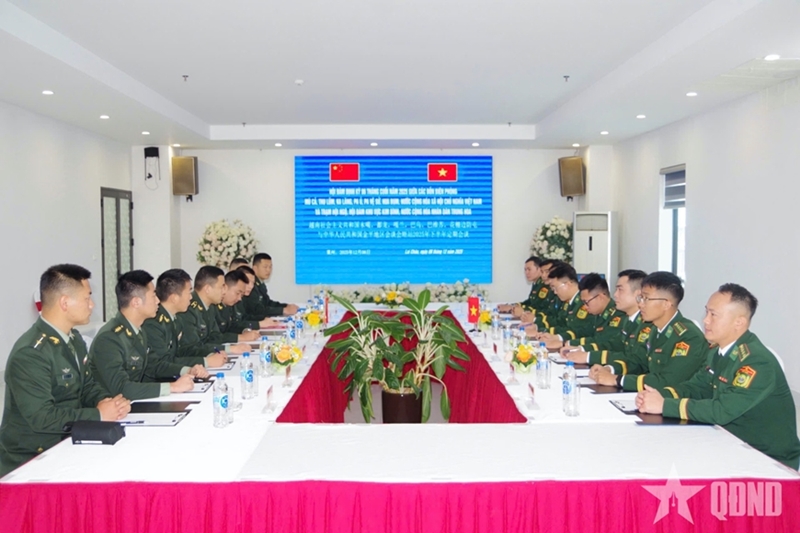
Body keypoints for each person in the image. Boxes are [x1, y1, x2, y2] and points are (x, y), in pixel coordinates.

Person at [637, 284, 800, 469]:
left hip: (766, 459)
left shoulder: (756, 362)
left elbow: (722, 411)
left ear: (739, 322)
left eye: (713, 315)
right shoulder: (718, 352)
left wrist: (664, 405)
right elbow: (697, 386)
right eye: (706, 312)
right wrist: (658, 396)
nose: (705, 320)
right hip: (729, 441)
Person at [0, 264, 130, 476]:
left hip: (68, 443)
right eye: (87, 298)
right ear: (64, 303)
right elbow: (42, 418)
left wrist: (109, 402)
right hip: (31, 460)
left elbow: (87, 387)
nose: (92, 305)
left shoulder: (74, 339)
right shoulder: (31, 353)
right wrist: (98, 414)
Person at [588, 271, 706, 392]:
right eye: (641, 298)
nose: (640, 304)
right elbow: (639, 362)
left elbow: (667, 381)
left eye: (646, 299)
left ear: (666, 304)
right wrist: (610, 369)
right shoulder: (655, 329)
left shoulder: (688, 336)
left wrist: (618, 380)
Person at [89, 271, 195, 401]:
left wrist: (187, 370)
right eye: (153, 296)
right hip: (117, 406)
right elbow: (121, 388)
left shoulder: (139, 331)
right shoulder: (109, 338)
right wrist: (172, 387)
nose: (158, 301)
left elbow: (153, 365)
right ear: (136, 302)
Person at [141, 269, 224, 372]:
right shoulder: (153, 323)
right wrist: (205, 362)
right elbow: (163, 363)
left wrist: (210, 355)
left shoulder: (176, 318)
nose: (191, 297)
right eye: (189, 292)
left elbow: (185, 349)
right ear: (174, 298)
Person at [563, 269, 647, 364]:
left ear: (638, 294)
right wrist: (582, 349)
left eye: (620, 290)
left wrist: (589, 357)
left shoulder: (645, 323)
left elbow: (635, 360)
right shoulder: (629, 320)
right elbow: (614, 345)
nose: (615, 295)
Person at [537, 273, 627, 351]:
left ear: (600, 297)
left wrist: (565, 343)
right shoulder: (598, 313)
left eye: (586, 302)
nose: (584, 306)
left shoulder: (618, 316)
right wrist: (558, 338)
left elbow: (602, 342)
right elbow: (583, 332)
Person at [177, 266, 250, 356]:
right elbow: (192, 349)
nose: (224, 291)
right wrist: (228, 349)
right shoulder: (188, 309)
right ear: (208, 289)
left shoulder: (210, 306)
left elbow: (216, 336)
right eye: (222, 287)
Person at [526, 263, 594, 341]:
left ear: (568, 284)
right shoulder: (568, 302)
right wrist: (538, 328)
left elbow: (580, 332)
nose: (555, 292)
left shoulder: (585, 303)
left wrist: (557, 337)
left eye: (555, 288)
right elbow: (560, 322)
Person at [241, 253, 298, 319]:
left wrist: (286, 306)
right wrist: (283, 310)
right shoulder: (250, 286)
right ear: (255, 268)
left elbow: (267, 303)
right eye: (265, 267)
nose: (268, 270)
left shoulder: (260, 283)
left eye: (270, 267)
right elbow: (257, 310)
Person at [214, 269, 262, 342]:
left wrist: (245, 331)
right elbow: (214, 337)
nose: (239, 298)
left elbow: (232, 326)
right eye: (237, 293)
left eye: (241, 295)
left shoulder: (229, 305)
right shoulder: (213, 306)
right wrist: (240, 337)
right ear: (225, 288)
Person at [235, 265, 279, 331]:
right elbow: (234, 325)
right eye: (247, 282)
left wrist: (263, 319)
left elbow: (246, 317)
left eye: (253, 283)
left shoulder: (243, 298)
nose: (251, 286)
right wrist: (259, 324)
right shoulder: (231, 300)